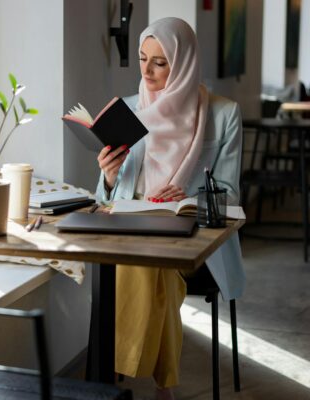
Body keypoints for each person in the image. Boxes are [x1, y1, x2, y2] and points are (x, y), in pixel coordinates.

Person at [96, 17, 245, 400]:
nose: (146, 71)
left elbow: (229, 195)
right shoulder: (127, 110)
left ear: (183, 63)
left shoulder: (222, 114)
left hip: (193, 237)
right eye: (143, 59)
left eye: (159, 62)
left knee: (151, 260)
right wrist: (110, 178)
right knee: (146, 259)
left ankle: (114, 373)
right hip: (133, 227)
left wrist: (188, 200)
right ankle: (166, 385)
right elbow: (105, 199)